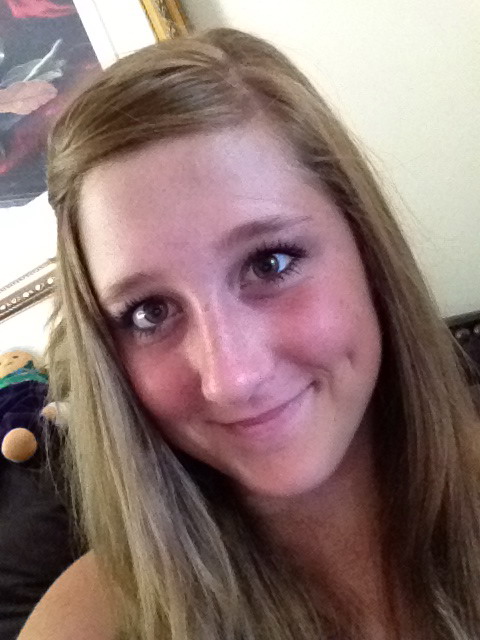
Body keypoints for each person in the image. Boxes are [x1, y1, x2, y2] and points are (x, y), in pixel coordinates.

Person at [18, 28, 480, 640]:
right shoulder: (84, 628)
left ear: (366, 247)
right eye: (149, 312)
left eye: (269, 263)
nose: (232, 378)